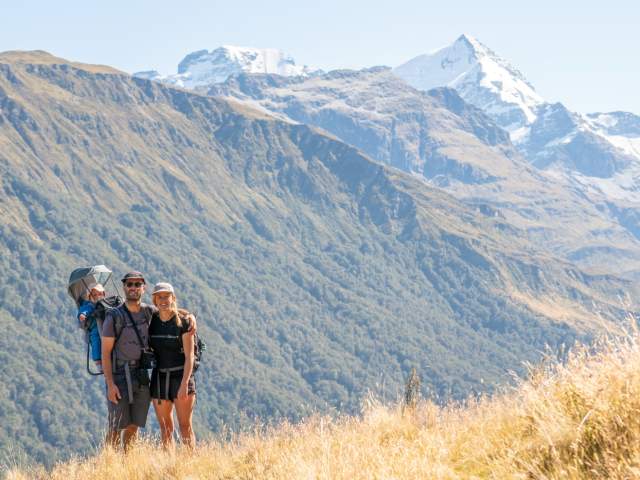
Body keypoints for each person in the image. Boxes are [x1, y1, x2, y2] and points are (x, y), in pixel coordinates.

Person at [101, 271, 196, 451]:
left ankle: (130, 463)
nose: (134, 288)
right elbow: (105, 353)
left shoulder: (149, 313)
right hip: (125, 376)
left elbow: (171, 311)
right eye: (130, 284)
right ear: (124, 287)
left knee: (134, 425)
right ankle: (110, 465)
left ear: (143, 288)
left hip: (145, 376)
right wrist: (110, 384)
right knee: (116, 426)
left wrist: (191, 316)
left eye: (138, 285)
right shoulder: (117, 317)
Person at [149, 282, 196, 448]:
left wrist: (184, 384)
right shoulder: (151, 320)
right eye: (159, 297)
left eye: (166, 296)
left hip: (180, 376)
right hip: (159, 378)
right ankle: (169, 466)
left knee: (185, 426)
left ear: (173, 298)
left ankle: (191, 463)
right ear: (154, 300)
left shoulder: (183, 322)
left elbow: (190, 356)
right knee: (165, 428)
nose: (163, 300)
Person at [78, 283, 106, 371]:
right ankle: (98, 362)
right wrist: (82, 314)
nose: (97, 296)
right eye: (94, 295)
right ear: (90, 296)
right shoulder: (90, 305)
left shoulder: (106, 303)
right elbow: (85, 310)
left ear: (103, 294)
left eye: (99, 294)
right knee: (96, 339)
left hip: (105, 326)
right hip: (95, 327)